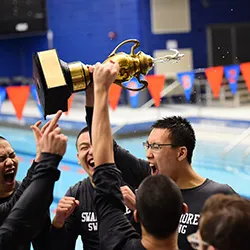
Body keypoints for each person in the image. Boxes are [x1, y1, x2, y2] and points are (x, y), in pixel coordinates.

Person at [85, 80, 236, 250]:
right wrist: (92, 95)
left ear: (181, 153)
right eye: (147, 146)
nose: (148, 153)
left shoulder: (218, 196)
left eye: (156, 147)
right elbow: (106, 148)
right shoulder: (150, 180)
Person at [91, 61, 187, 250]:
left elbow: (103, 167)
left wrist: (98, 91)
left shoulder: (118, 245)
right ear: (184, 211)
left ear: (136, 215)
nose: (148, 153)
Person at [51, 82, 149, 249]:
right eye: (84, 148)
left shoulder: (134, 183)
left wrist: (140, 209)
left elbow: (161, 235)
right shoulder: (76, 195)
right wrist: (58, 221)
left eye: (96, 145)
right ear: (78, 157)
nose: (92, 152)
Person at [0, 110, 67, 250]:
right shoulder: (30, 191)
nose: (10, 162)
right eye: (1, 159)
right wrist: (41, 161)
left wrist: (58, 224)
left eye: (12, 155)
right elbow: (11, 213)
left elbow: (43, 242)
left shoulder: (26, 189)